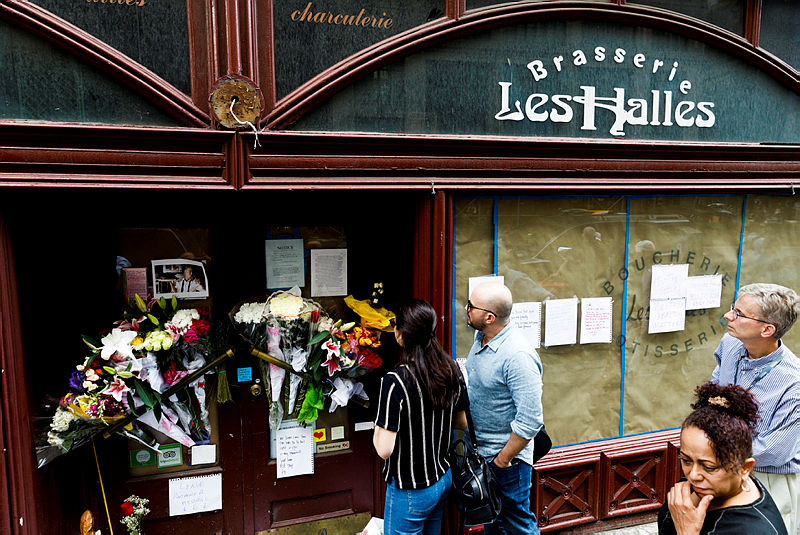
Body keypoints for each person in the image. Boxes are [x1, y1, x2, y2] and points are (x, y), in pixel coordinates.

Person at [373, 298, 468, 535]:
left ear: (400, 334)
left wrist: (379, 424)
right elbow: (462, 423)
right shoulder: (451, 369)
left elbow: (384, 449)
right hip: (442, 479)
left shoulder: (395, 382)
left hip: (411, 490)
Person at [711, 283, 800, 535]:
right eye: (732, 309)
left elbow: (774, 452)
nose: (729, 316)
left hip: (768, 480)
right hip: (722, 467)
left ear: (767, 329)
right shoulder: (730, 343)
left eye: (739, 314)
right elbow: (715, 387)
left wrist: (714, 453)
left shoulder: (795, 383)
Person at [465, 281, 543, 534]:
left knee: (517, 526)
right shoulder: (482, 337)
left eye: (471, 306)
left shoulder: (518, 356)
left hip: (508, 463)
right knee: (494, 526)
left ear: (489, 317)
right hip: (482, 456)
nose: (466, 309)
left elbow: (531, 420)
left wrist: (503, 460)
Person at [658, 382, 787, 535]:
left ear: (745, 468)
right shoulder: (704, 487)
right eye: (686, 460)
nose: (693, 476)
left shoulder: (756, 530)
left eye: (708, 467)